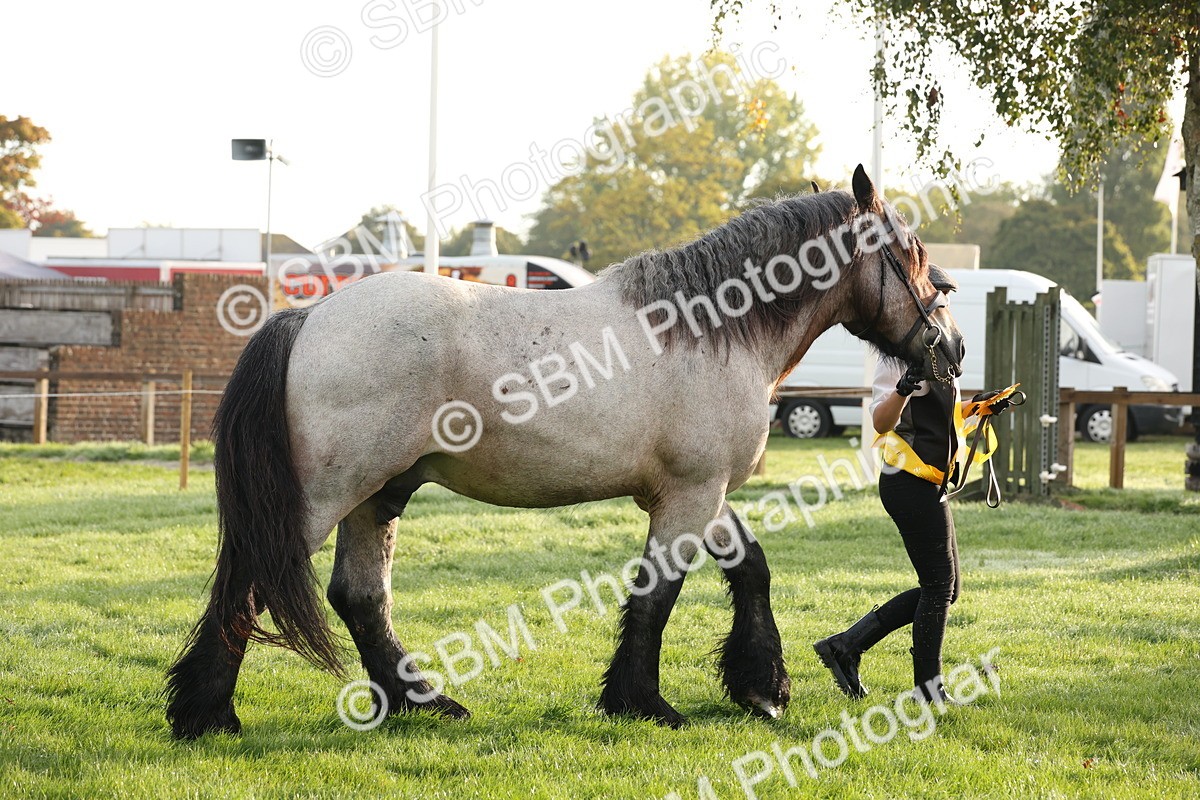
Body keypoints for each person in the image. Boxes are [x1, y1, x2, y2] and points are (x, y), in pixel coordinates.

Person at [813, 266, 1009, 704]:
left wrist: (979, 408)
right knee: (939, 587)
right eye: (940, 300)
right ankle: (927, 691)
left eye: (947, 301)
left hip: (928, 482)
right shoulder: (897, 357)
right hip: (907, 483)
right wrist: (901, 390)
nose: (946, 308)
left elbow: (941, 419)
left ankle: (846, 646)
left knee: (947, 588)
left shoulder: (941, 357)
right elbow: (882, 422)